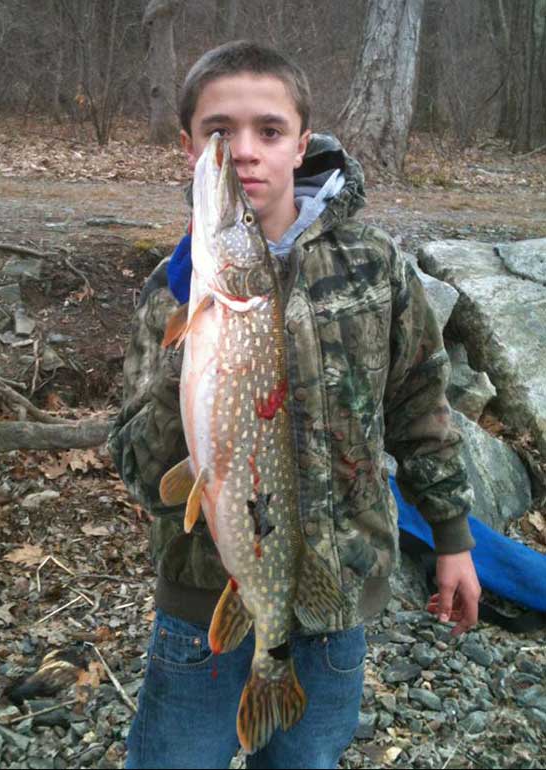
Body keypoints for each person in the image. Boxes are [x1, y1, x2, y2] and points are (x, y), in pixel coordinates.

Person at [107, 40, 481, 770]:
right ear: (188, 147)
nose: (243, 152)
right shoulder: (172, 291)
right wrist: (187, 320)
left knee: (305, 758)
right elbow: (141, 467)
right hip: (201, 604)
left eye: (268, 131)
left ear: (302, 143)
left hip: (334, 601)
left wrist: (454, 536)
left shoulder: (374, 267)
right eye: (218, 133)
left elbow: (421, 405)